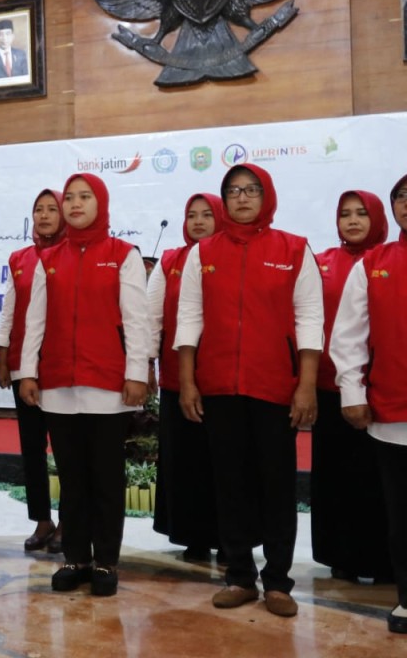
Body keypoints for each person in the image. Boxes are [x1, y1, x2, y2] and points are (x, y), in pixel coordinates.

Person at [175, 163, 323, 618]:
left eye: (251, 190)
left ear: (267, 196)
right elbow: (190, 318)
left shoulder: (294, 249)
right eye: (233, 190)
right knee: (230, 484)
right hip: (219, 386)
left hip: (275, 387)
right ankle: (239, 575)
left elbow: (310, 320)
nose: (241, 198)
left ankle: (278, 582)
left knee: (277, 485)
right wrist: (186, 380)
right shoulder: (203, 253)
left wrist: (307, 386)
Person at [18, 173, 150, 598]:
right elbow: (34, 321)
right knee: (71, 479)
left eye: (85, 197)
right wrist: (29, 372)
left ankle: (106, 562)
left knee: (106, 480)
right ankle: (75, 558)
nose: (75, 204)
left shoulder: (122, 254)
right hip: (58, 386)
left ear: (101, 203)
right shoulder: (49, 259)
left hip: (108, 387)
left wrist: (137, 374)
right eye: (70, 197)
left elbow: (136, 320)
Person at [330, 173, 407, 635]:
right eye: (402, 197)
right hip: (392, 413)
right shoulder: (373, 264)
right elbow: (349, 338)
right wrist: (353, 394)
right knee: (401, 515)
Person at [313, 190, 392, 582]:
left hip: (380, 393)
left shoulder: (387, 259)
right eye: (345, 214)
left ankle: (383, 561)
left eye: (362, 213)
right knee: (336, 479)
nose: (353, 220)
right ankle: (340, 556)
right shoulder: (321, 262)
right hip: (330, 390)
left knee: (378, 483)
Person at [147, 193, 225, 562]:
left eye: (207, 215)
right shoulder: (170, 261)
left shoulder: (231, 256)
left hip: (225, 380)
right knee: (188, 462)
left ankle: (230, 540)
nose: (198, 221)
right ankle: (194, 537)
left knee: (223, 462)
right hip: (179, 379)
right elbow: (153, 320)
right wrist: (146, 364)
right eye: (191, 215)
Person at [0, 188, 66, 553]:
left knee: (67, 450)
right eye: (39, 209)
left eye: (53, 208)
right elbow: (9, 311)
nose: (45, 215)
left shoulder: (72, 256)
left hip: (61, 367)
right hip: (24, 368)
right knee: (32, 449)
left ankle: (69, 521)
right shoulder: (19, 258)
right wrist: (4, 358)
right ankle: (42, 520)